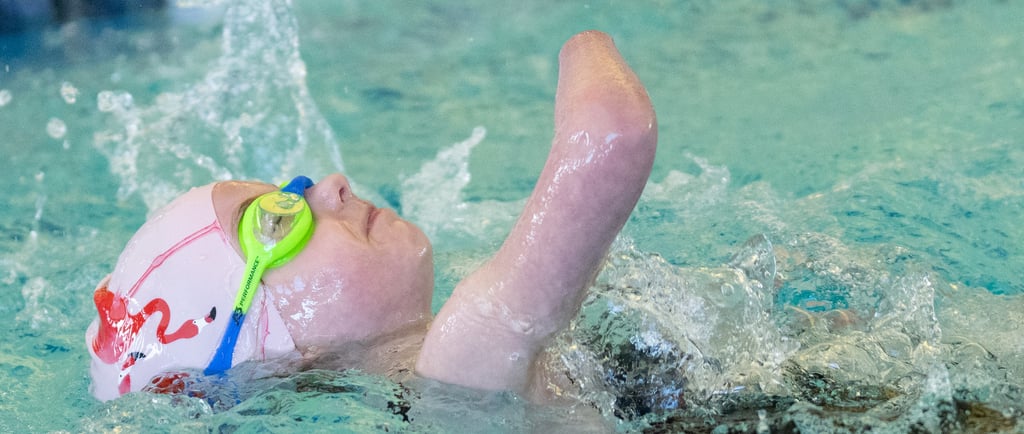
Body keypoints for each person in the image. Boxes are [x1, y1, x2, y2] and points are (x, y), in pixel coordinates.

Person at [85, 30, 658, 403]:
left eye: (293, 190)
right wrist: (582, 37)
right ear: (278, 347)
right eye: (277, 220)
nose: (331, 186)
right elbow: (611, 134)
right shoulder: (460, 365)